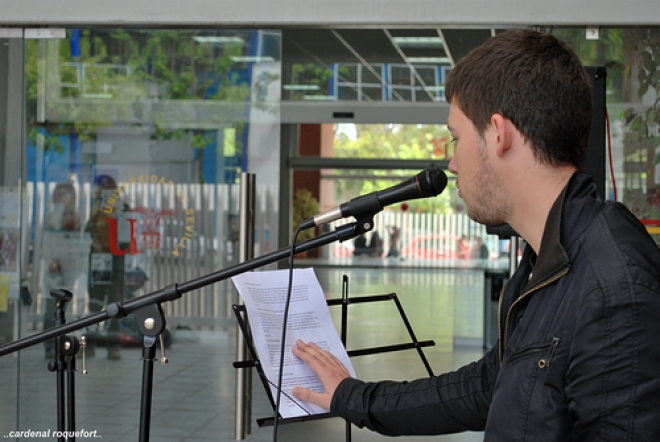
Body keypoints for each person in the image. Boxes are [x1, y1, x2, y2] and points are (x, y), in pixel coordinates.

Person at [290, 29, 660, 441]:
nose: (451, 162)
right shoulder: (544, 258)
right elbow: (487, 386)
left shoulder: (616, 289)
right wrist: (352, 397)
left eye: (457, 138)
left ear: (498, 134)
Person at [41, 182, 84, 359]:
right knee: (51, 305)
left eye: (65, 195)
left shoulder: (75, 217)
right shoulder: (51, 216)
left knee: (65, 305)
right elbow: (46, 239)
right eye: (58, 195)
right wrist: (50, 259)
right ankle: (49, 344)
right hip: (54, 265)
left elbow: (78, 241)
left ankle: (61, 342)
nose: (61, 198)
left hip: (69, 265)